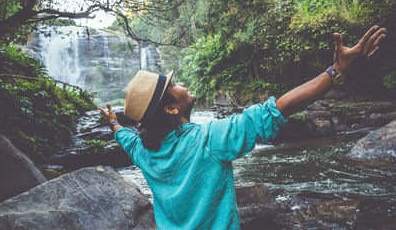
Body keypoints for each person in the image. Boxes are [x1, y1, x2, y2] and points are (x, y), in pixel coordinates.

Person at [99, 26, 386, 229]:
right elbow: (278, 109)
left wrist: (112, 121)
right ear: (170, 109)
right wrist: (337, 71)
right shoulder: (209, 139)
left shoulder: (144, 151)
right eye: (172, 85)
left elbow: (124, 136)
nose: (180, 82)